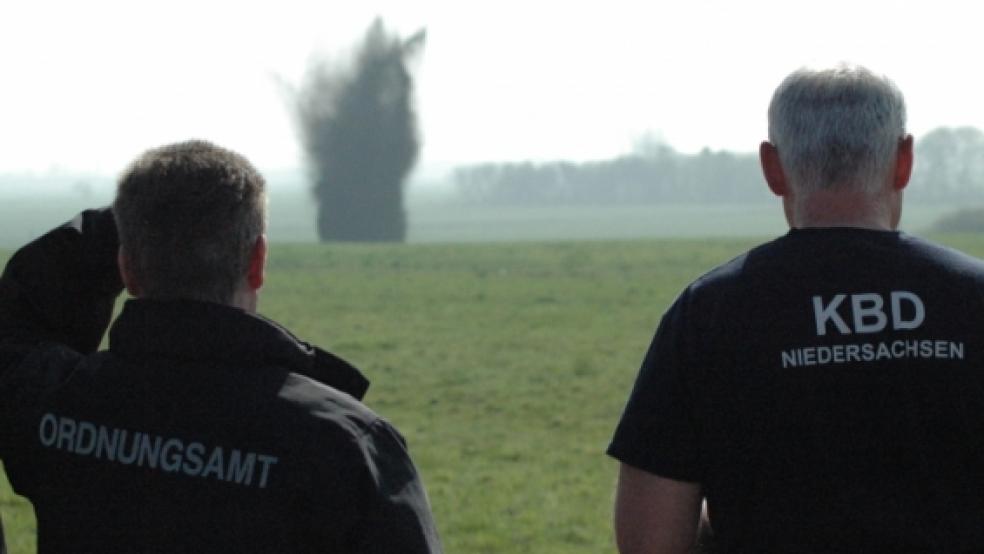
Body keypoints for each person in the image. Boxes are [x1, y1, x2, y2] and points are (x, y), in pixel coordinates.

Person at [608, 64, 984, 552]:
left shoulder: (709, 316)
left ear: (772, 167)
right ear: (904, 161)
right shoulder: (974, 299)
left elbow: (651, 542)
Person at [0, 140, 442, 553]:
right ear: (257, 262)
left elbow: (19, 320)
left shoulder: (53, 404)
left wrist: (133, 224)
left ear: (126, 267)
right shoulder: (344, 444)